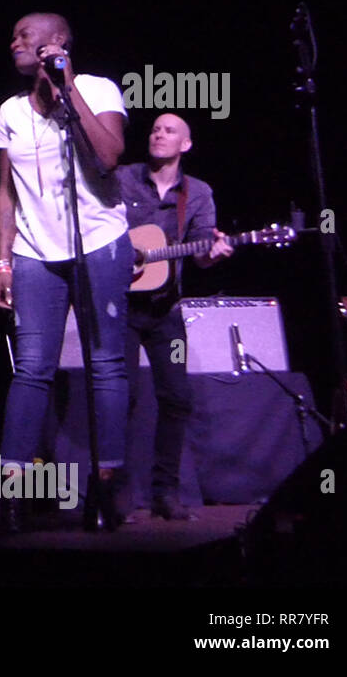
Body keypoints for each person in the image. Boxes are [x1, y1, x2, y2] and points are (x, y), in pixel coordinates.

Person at [0, 12, 133, 531]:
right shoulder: (10, 110)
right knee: (31, 367)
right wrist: (2, 260)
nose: (14, 43)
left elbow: (111, 155)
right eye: (13, 36)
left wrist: (69, 86)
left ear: (57, 43)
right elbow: (6, 192)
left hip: (98, 240)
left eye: (24, 36)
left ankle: (108, 484)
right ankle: (8, 490)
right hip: (33, 250)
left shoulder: (98, 88)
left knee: (106, 362)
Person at [118, 112, 233, 520]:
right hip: (121, 308)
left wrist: (212, 252)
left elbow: (201, 255)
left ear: (185, 144)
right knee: (121, 398)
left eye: (169, 131)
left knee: (177, 398)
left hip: (168, 310)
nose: (158, 135)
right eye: (154, 129)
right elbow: (101, 234)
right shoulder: (123, 178)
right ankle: (118, 494)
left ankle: (166, 493)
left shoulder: (198, 193)